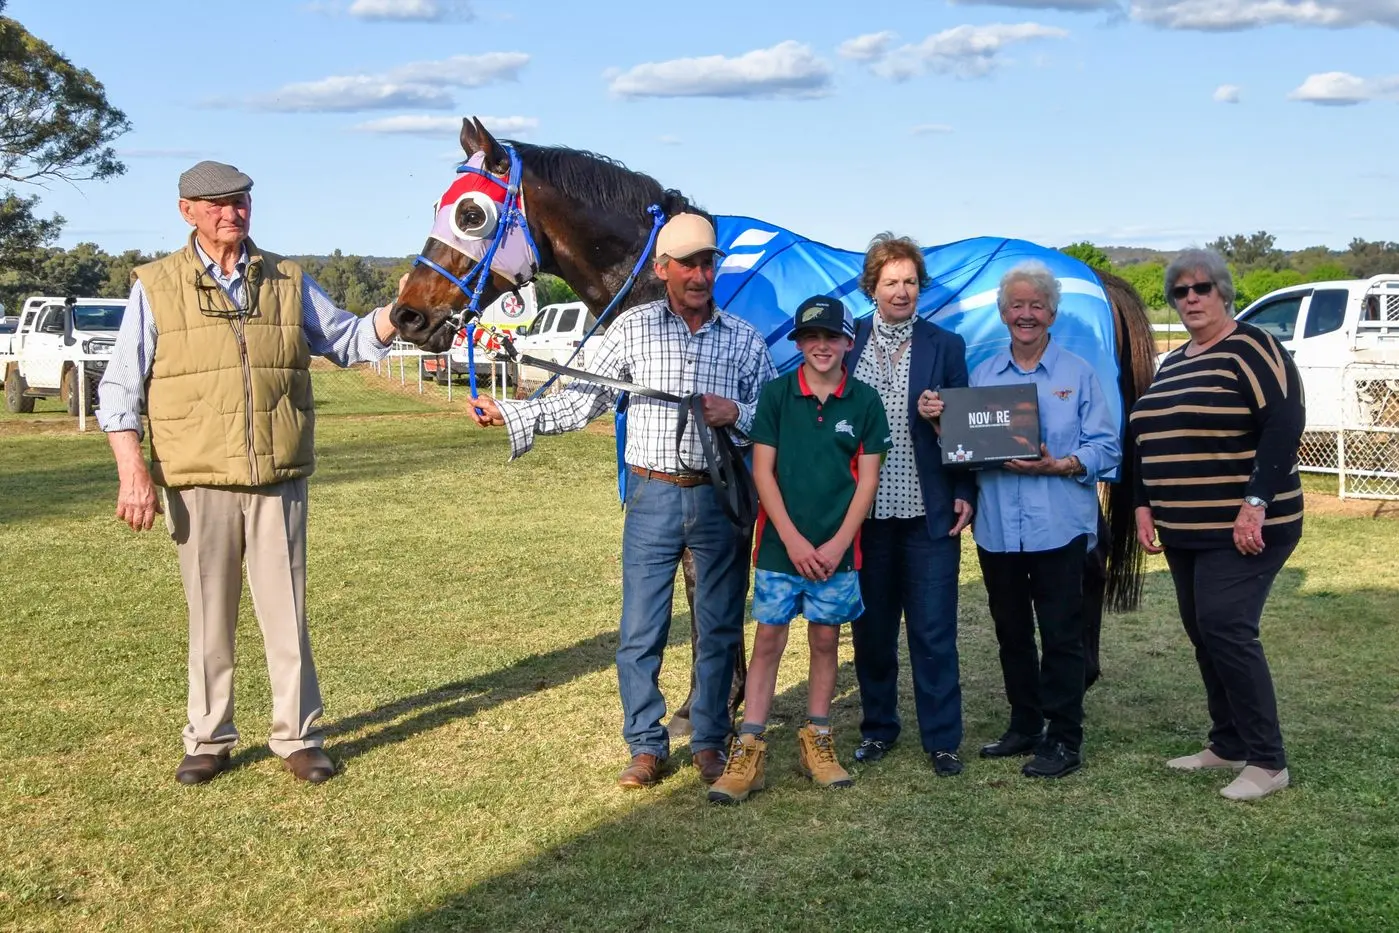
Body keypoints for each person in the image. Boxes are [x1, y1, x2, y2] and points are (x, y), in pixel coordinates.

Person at [97, 160, 400, 785]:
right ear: (187, 212)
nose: (231, 213)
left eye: (239, 202)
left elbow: (345, 340)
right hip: (196, 476)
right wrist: (134, 473)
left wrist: (404, 309)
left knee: (286, 611)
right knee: (210, 613)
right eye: (216, 205)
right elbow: (120, 387)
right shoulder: (155, 285)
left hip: (276, 474)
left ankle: (298, 736)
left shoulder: (288, 278)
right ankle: (208, 737)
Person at [469, 213, 776, 789]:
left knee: (717, 627)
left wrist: (736, 413)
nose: (698, 274)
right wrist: (514, 411)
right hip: (652, 494)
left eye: (707, 262)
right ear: (662, 270)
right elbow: (581, 400)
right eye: (686, 263)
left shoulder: (743, 340)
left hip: (719, 499)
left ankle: (710, 739)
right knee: (641, 630)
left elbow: (773, 420)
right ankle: (646, 744)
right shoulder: (633, 330)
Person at [1131, 248, 1305, 802]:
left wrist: (1255, 501)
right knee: (1204, 633)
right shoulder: (1175, 361)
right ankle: (1227, 742)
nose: (1190, 299)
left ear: (1224, 291)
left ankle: (1268, 760)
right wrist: (1141, 503)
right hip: (1184, 528)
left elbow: (1284, 421)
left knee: (1227, 628)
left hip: (1246, 524)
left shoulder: (1253, 347)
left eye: (1201, 288)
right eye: (1179, 292)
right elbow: (1147, 437)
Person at [708, 296, 890, 804]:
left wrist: (836, 544)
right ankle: (749, 750)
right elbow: (762, 471)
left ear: (848, 343)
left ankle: (819, 739)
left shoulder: (865, 403)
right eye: (811, 337)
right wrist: (789, 537)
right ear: (799, 344)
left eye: (832, 337)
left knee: (826, 642)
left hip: (837, 553)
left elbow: (867, 484)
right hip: (779, 550)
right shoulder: (777, 395)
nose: (822, 345)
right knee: (768, 642)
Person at [960, 261, 1120, 779]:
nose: (1026, 314)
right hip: (999, 530)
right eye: (1016, 305)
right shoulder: (982, 377)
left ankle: (1065, 737)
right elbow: (968, 445)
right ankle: (1025, 724)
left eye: (1036, 305)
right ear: (1003, 313)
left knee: (1060, 634)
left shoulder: (1078, 373)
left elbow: (1107, 446)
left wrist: (1062, 463)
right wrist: (946, 422)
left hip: (1059, 527)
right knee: (1010, 633)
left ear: (1052, 312)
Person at [847, 233, 975, 776]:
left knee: (933, 631)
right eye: (891, 281)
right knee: (872, 632)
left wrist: (965, 489)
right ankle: (878, 729)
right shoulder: (845, 341)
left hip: (928, 512)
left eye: (911, 282)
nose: (902, 291)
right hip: (863, 515)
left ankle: (942, 739)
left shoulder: (945, 346)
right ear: (872, 287)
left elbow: (967, 425)